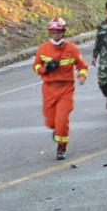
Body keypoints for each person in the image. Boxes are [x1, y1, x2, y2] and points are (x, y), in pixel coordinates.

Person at [32, 18, 88, 160]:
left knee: (62, 119)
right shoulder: (43, 49)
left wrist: (82, 76)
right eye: (53, 33)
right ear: (50, 33)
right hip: (49, 89)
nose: (56, 36)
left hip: (66, 89)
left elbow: (82, 66)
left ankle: (61, 147)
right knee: (51, 122)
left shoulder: (72, 49)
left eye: (58, 33)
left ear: (63, 33)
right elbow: (36, 66)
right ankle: (57, 131)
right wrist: (46, 69)